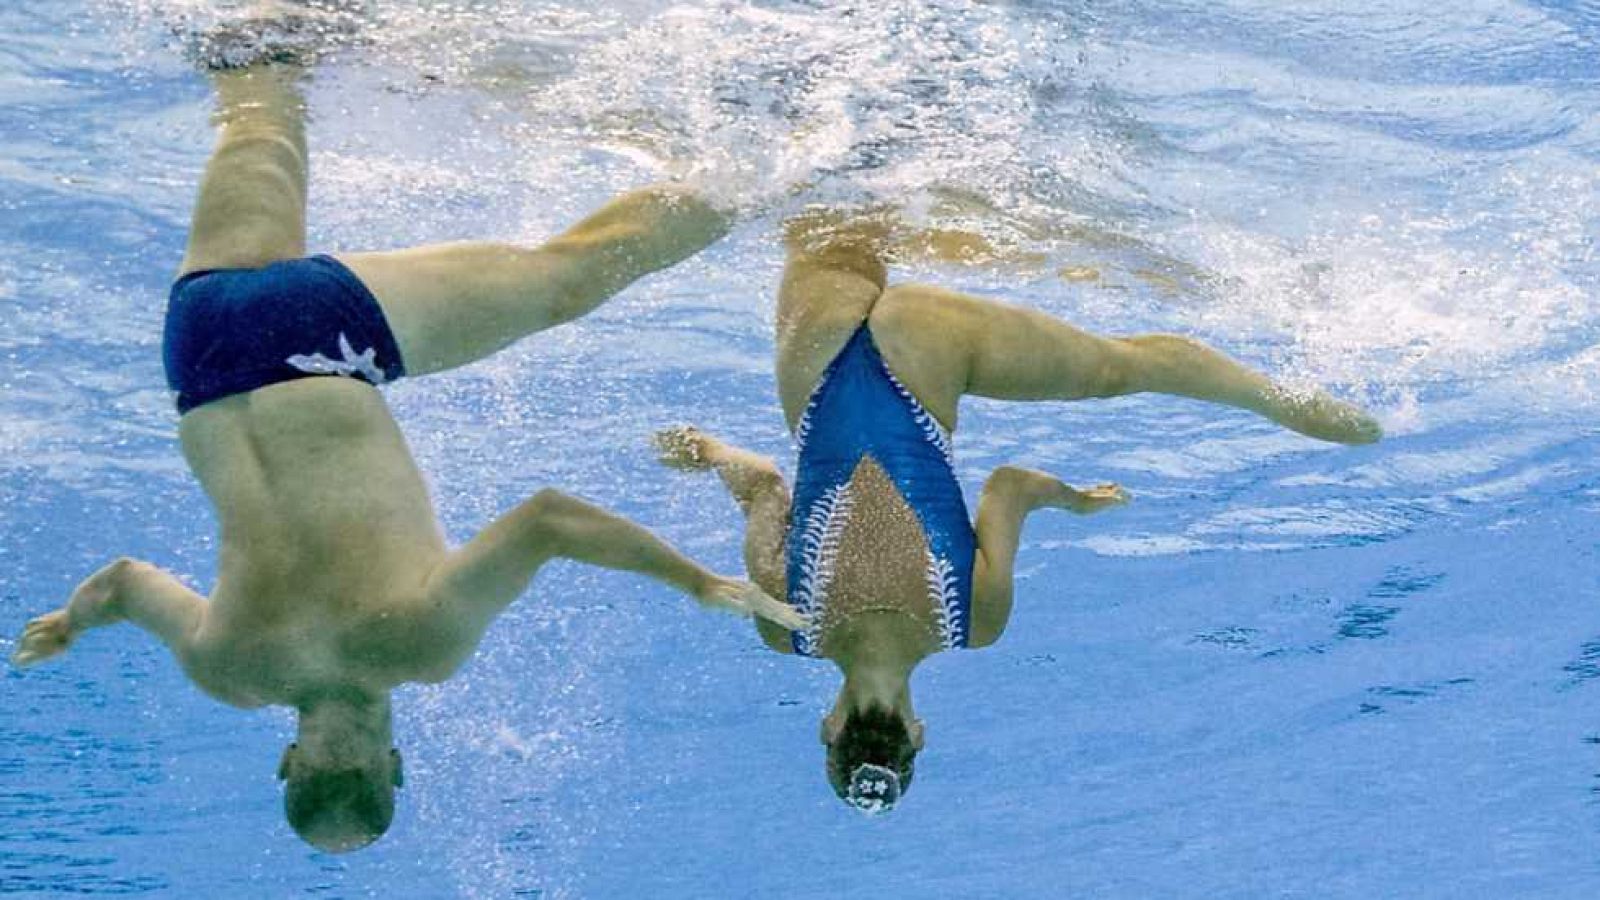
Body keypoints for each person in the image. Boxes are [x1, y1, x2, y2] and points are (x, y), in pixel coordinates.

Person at [8, 37, 803, 852]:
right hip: (202, 351)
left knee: (568, 279)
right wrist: (71, 623)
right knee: (259, 101)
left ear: (393, 766)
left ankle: (776, 167)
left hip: (323, 343)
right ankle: (265, 40)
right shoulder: (229, 671)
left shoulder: (418, 646)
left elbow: (548, 520)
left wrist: (697, 582)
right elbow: (124, 584)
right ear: (287, 765)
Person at [656, 209, 1381, 814]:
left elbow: (1008, 486)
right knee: (832, 204)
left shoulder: (975, 622)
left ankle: (1291, 404)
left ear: (918, 732)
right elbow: (761, 486)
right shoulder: (784, 628)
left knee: (1124, 367)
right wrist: (709, 450)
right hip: (819, 369)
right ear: (829, 728)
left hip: (926, 350)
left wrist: (1074, 501)